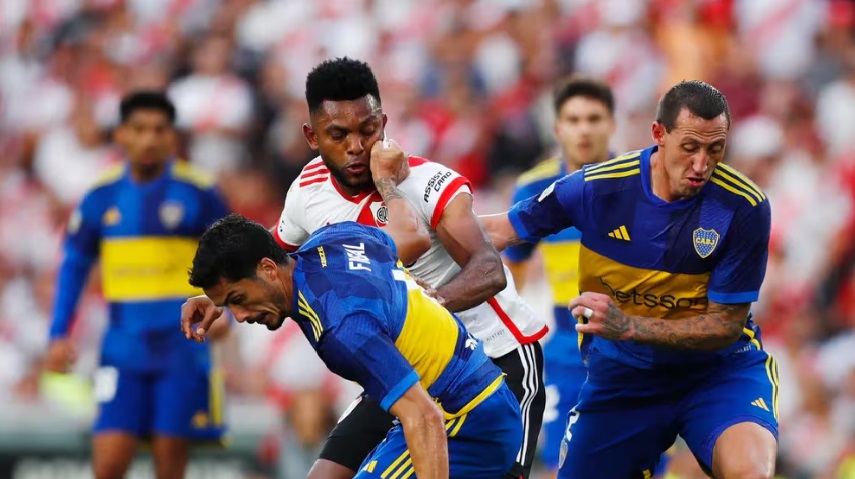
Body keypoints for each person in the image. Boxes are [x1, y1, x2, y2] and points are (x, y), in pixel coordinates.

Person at [182, 57, 547, 479]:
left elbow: (489, 271)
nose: (356, 146)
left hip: (497, 356)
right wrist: (216, 297)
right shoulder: (307, 192)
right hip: (404, 361)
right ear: (312, 136)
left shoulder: (425, 183)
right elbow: (268, 258)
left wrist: (428, 303)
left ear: (384, 124)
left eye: (368, 130)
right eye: (338, 134)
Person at [481, 80, 779, 479]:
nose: (701, 165)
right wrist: (413, 211)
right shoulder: (597, 187)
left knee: (750, 473)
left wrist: (630, 326)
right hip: (624, 377)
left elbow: (725, 326)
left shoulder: (743, 206)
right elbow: (497, 231)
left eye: (715, 149)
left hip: (717, 372)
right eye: (690, 147)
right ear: (659, 134)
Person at [184, 214, 524, 479]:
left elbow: (424, 417)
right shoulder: (335, 238)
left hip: (465, 419)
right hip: (474, 397)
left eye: (238, 299)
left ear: (268, 269)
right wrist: (220, 300)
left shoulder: (341, 328)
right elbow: (400, 235)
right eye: (230, 304)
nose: (240, 317)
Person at [45, 91, 230, 479]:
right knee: (108, 464)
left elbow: (231, 257)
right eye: (139, 129)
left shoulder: (199, 191)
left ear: (172, 137)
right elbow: (74, 263)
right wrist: (59, 333)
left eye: (159, 130)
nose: (149, 139)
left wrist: (226, 308)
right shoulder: (101, 195)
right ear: (121, 135)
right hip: (122, 348)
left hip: (181, 347)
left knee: (169, 466)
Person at [503, 76, 615, 479]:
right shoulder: (534, 188)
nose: (584, 129)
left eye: (593, 119)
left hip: (631, 347)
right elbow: (511, 276)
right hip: (566, 351)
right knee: (560, 466)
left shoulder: (640, 183)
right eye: (574, 119)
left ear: (611, 125)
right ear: (557, 128)